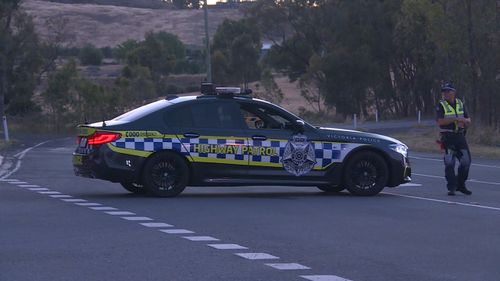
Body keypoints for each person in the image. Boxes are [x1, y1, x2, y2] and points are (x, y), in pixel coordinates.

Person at [436, 83, 472, 196]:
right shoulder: (441, 105)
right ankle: (451, 187)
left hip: (460, 137)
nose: (445, 93)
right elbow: (440, 121)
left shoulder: (460, 103)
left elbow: (468, 119)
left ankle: (460, 184)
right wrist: (456, 119)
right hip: (448, 137)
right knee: (449, 162)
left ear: (453, 92)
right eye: (444, 91)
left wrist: (465, 122)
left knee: (466, 161)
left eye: (448, 91)